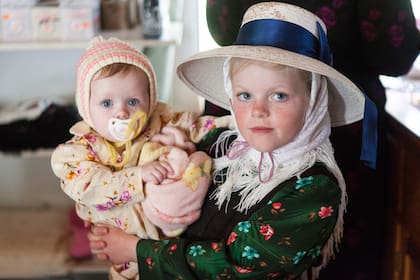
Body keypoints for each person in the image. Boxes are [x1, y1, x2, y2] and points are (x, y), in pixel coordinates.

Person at [87, 3, 376, 279]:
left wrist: (135, 250)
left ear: (313, 102)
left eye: (279, 96)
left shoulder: (313, 188)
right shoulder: (222, 145)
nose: (258, 110)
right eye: (244, 95)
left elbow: (239, 267)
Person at [205, 1, 419, 278]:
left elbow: (222, 27)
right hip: (242, 133)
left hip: (329, 135)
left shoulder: (319, 185)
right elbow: (394, 53)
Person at [50, 36, 231, 279]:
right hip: (121, 246)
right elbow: (89, 187)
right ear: (86, 106)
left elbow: (198, 126)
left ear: (150, 100)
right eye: (106, 103)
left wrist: (231, 124)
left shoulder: (160, 122)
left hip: (168, 237)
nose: (122, 111)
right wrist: (138, 176)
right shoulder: (80, 151)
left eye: (133, 101)